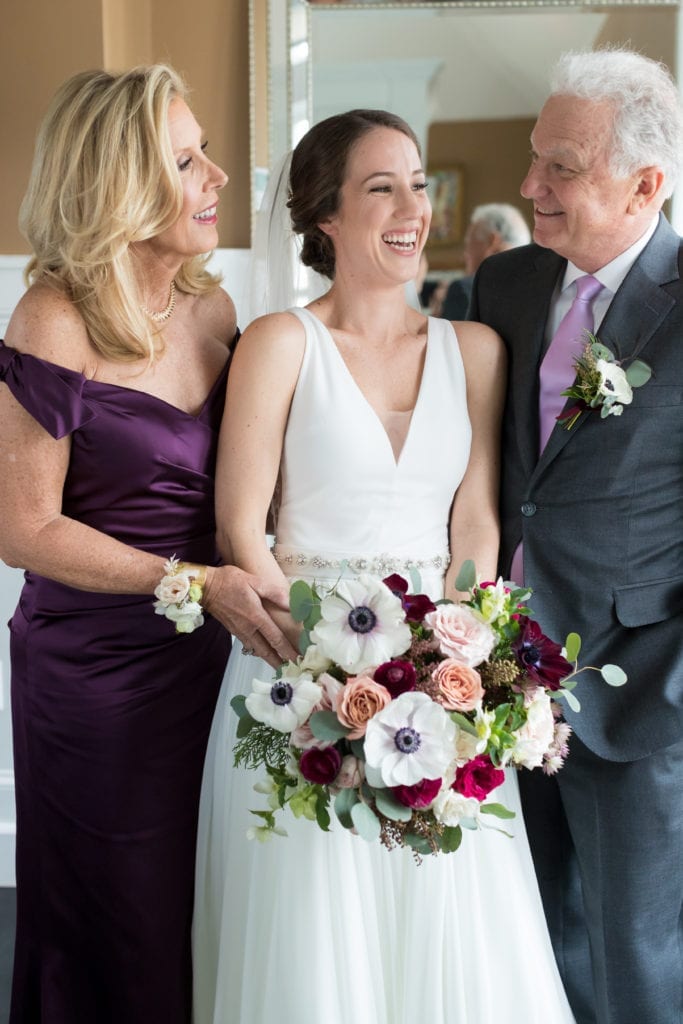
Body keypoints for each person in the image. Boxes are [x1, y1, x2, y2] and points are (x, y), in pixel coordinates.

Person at [192, 109, 576, 1024]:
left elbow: (474, 520)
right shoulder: (279, 343)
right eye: (380, 188)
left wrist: (463, 671)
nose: (412, 206)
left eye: (416, 183)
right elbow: (241, 528)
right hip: (295, 686)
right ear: (325, 214)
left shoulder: (473, 349)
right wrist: (325, 673)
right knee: (314, 938)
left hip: (440, 686)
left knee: (451, 928)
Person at [0, 65, 295, 1024]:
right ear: (118, 182)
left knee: (215, 897)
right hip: (95, 676)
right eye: (185, 159)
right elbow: (21, 526)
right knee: (115, 914)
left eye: (206, 150)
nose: (215, 177)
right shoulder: (54, 319)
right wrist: (191, 581)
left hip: (220, 656)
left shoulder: (216, 310)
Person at [469, 48, 683, 1024]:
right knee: (527, 950)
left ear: (646, 184)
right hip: (497, 685)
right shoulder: (506, 284)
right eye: (531, 158)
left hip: (636, 696)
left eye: (559, 166)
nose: (527, 187)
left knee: (638, 961)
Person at [441, 203, 530, 320]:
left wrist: (437, 322)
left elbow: (449, 338)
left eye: (469, 243)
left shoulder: (465, 289)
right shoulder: (540, 288)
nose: (464, 256)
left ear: (492, 241)